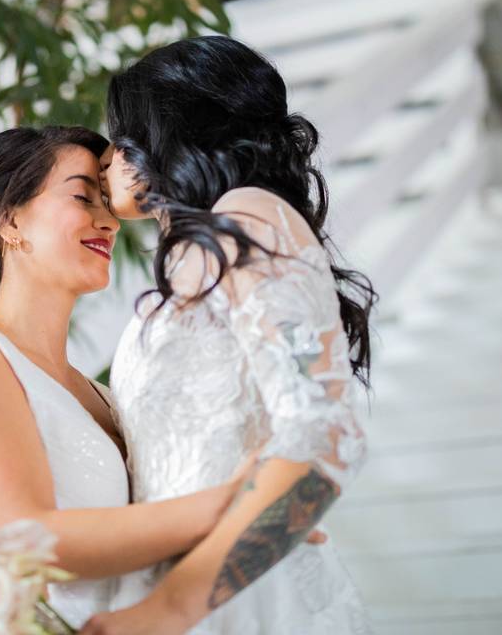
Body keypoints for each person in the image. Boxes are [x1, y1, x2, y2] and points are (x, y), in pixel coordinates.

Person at [84, 36, 378, 634]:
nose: (104, 159)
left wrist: (165, 612)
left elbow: (325, 433)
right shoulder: (197, 252)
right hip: (178, 583)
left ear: (167, 134)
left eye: (122, 139)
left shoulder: (247, 216)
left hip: (239, 599)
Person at [0, 125, 252, 629]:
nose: (108, 223)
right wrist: (234, 504)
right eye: (82, 197)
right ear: (8, 219)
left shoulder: (99, 393)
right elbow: (27, 539)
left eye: (107, 206)